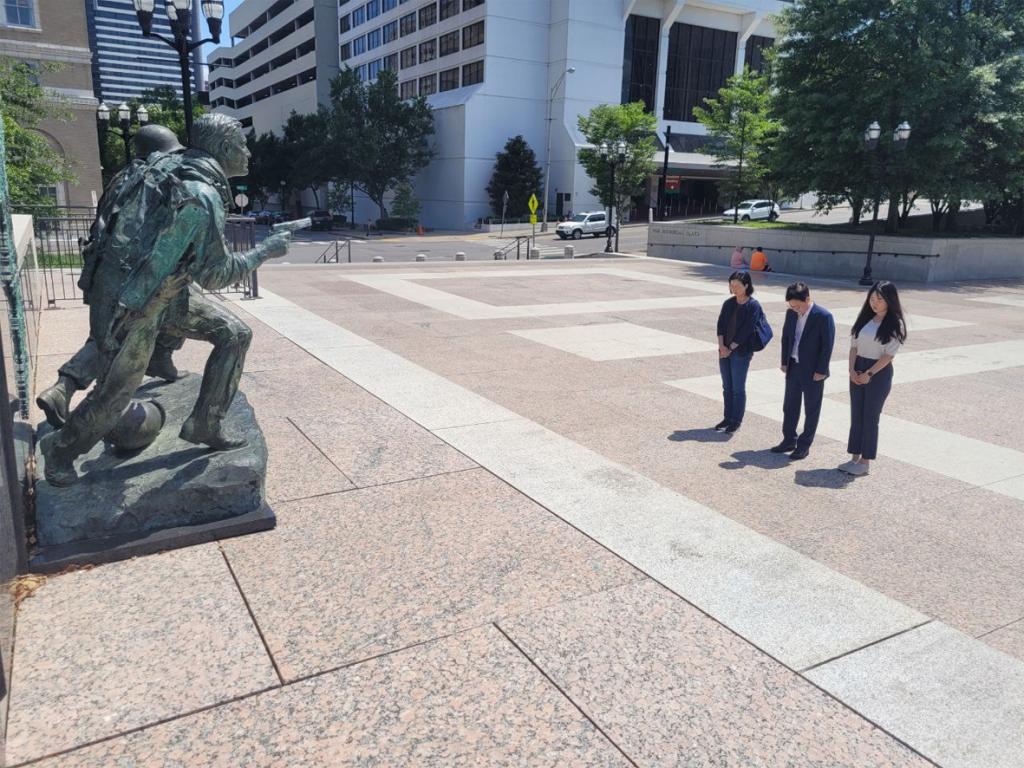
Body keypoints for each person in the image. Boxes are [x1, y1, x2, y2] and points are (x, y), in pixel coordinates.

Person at [40, 113, 292, 486]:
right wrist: (266, 251)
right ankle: (60, 451)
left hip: (156, 290)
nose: (248, 151)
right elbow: (216, 274)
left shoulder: (165, 169)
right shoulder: (202, 195)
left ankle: (205, 422)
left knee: (234, 333)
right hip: (133, 304)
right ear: (223, 150)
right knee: (115, 396)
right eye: (241, 144)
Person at [36, 125, 189, 428]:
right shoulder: (166, 174)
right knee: (169, 313)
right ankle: (85, 415)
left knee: (106, 334)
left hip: (102, 267)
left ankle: (63, 388)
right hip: (138, 272)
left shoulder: (123, 177)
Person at [840, 281, 907, 476]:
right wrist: (852, 369)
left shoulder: (895, 324)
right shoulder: (865, 320)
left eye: (879, 299)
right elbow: (854, 347)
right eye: (872, 299)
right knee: (856, 414)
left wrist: (869, 374)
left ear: (890, 300)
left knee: (870, 417)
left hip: (878, 372)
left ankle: (865, 461)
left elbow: (889, 355)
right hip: (858, 366)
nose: (874, 303)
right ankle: (854, 456)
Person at [772, 282, 835, 460]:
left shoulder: (823, 316)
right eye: (791, 306)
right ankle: (789, 439)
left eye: (797, 306)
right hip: (794, 365)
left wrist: (821, 370)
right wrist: (784, 361)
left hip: (814, 370)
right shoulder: (791, 313)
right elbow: (786, 337)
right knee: (789, 406)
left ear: (807, 299)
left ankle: (804, 445)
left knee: (811, 408)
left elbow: (827, 345)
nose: (795, 309)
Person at [715, 271, 766, 433]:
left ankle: (736, 420)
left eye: (737, 286)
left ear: (746, 286)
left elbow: (746, 330)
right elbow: (721, 325)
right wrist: (722, 346)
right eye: (731, 286)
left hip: (741, 351)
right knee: (726, 387)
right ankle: (727, 417)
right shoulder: (728, 303)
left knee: (738, 388)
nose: (734, 289)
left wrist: (730, 348)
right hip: (724, 350)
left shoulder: (753, 306)